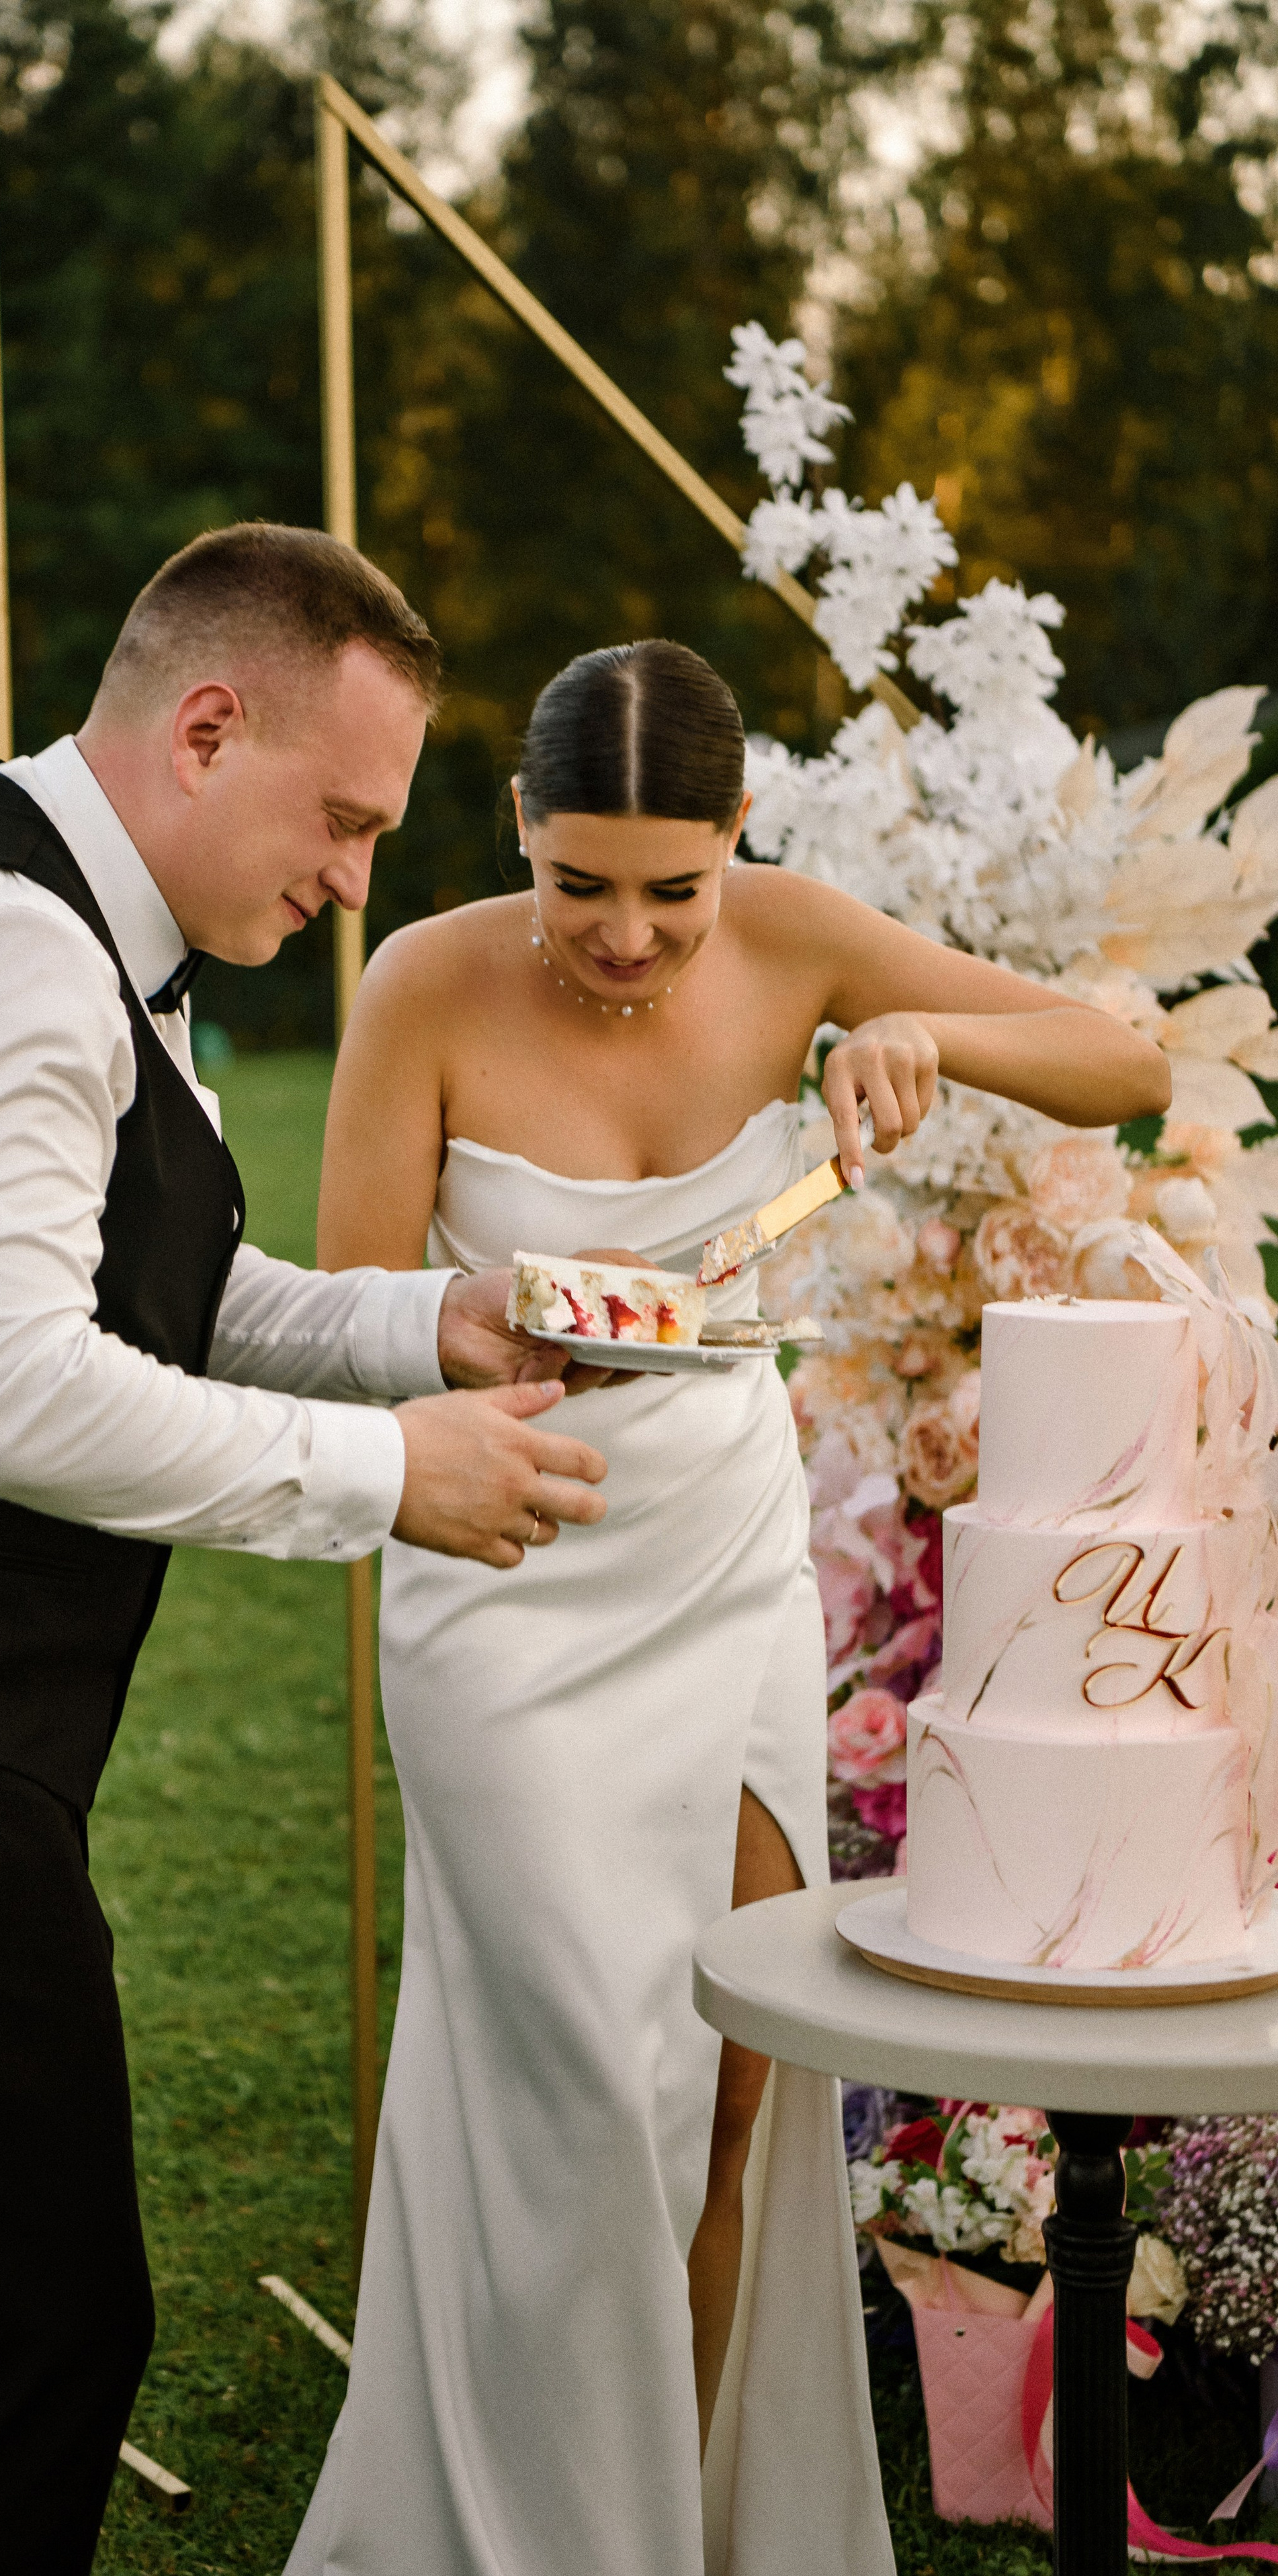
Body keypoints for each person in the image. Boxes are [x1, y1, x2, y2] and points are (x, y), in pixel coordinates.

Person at [0, 525, 611, 2576]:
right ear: (205, 723)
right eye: (339, 821)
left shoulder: (73, 931)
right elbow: (8, 1388)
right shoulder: (1, 942)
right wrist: (385, 1477)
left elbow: (180, 1283)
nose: (349, 882)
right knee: (24, 2334)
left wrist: (435, 1329)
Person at [288, 637, 1171, 2576]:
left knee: (737, 2098)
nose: (626, 937)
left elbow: (1128, 1056)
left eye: (671, 889)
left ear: (736, 841)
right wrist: (473, 1350)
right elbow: (345, 1323)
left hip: (725, 1588)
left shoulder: (794, 941)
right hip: (505, 1598)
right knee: (588, 2107)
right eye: (576, 883)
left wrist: (923, 1043)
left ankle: (681, 2539)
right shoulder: (418, 984)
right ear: (515, 831)